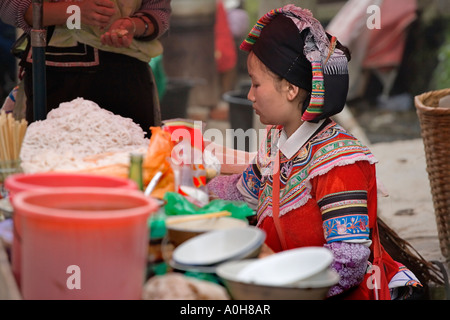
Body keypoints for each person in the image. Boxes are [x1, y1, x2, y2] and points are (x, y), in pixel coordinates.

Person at [207, 5, 423, 300]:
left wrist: (280, 284)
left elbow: (348, 264)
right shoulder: (276, 139)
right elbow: (244, 189)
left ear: (291, 89)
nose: (250, 95)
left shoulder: (338, 164)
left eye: (257, 84)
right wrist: (195, 192)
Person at [0, 0, 171, 136]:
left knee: (130, 167)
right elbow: (10, 6)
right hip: (56, 81)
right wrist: (74, 12)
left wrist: (131, 26)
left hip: (127, 81)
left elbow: (158, 10)